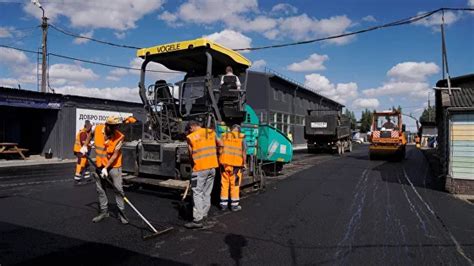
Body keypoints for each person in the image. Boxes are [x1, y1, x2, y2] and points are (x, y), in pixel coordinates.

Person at [80, 116, 128, 224]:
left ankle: (122, 214)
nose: (115, 130)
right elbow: (90, 135)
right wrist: (84, 145)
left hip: (114, 166)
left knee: (118, 189)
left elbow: (115, 155)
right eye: (112, 127)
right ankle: (104, 212)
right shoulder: (97, 129)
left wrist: (106, 168)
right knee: (100, 189)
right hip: (99, 165)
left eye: (116, 127)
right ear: (107, 125)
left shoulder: (120, 137)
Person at [185, 121, 220, 229]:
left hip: (200, 168)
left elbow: (191, 155)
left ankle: (197, 220)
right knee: (206, 192)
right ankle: (204, 215)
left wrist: (193, 166)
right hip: (212, 167)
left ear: (192, 127)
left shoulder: (191, 137)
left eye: (189, 129)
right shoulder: (211, 132)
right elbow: (221, 144)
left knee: (197, 193)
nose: (189, 131)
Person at [219, 124, 246, 212]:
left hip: (224, 164)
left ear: (231, 130)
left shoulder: (223, 136)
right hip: (236, 166)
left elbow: (219, 149)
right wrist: (244, 163)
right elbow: (244, 152)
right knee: (234, 185)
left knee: (224, 184)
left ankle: (223, 205)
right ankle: (234, 205)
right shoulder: (241, 138)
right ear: (238, 130)